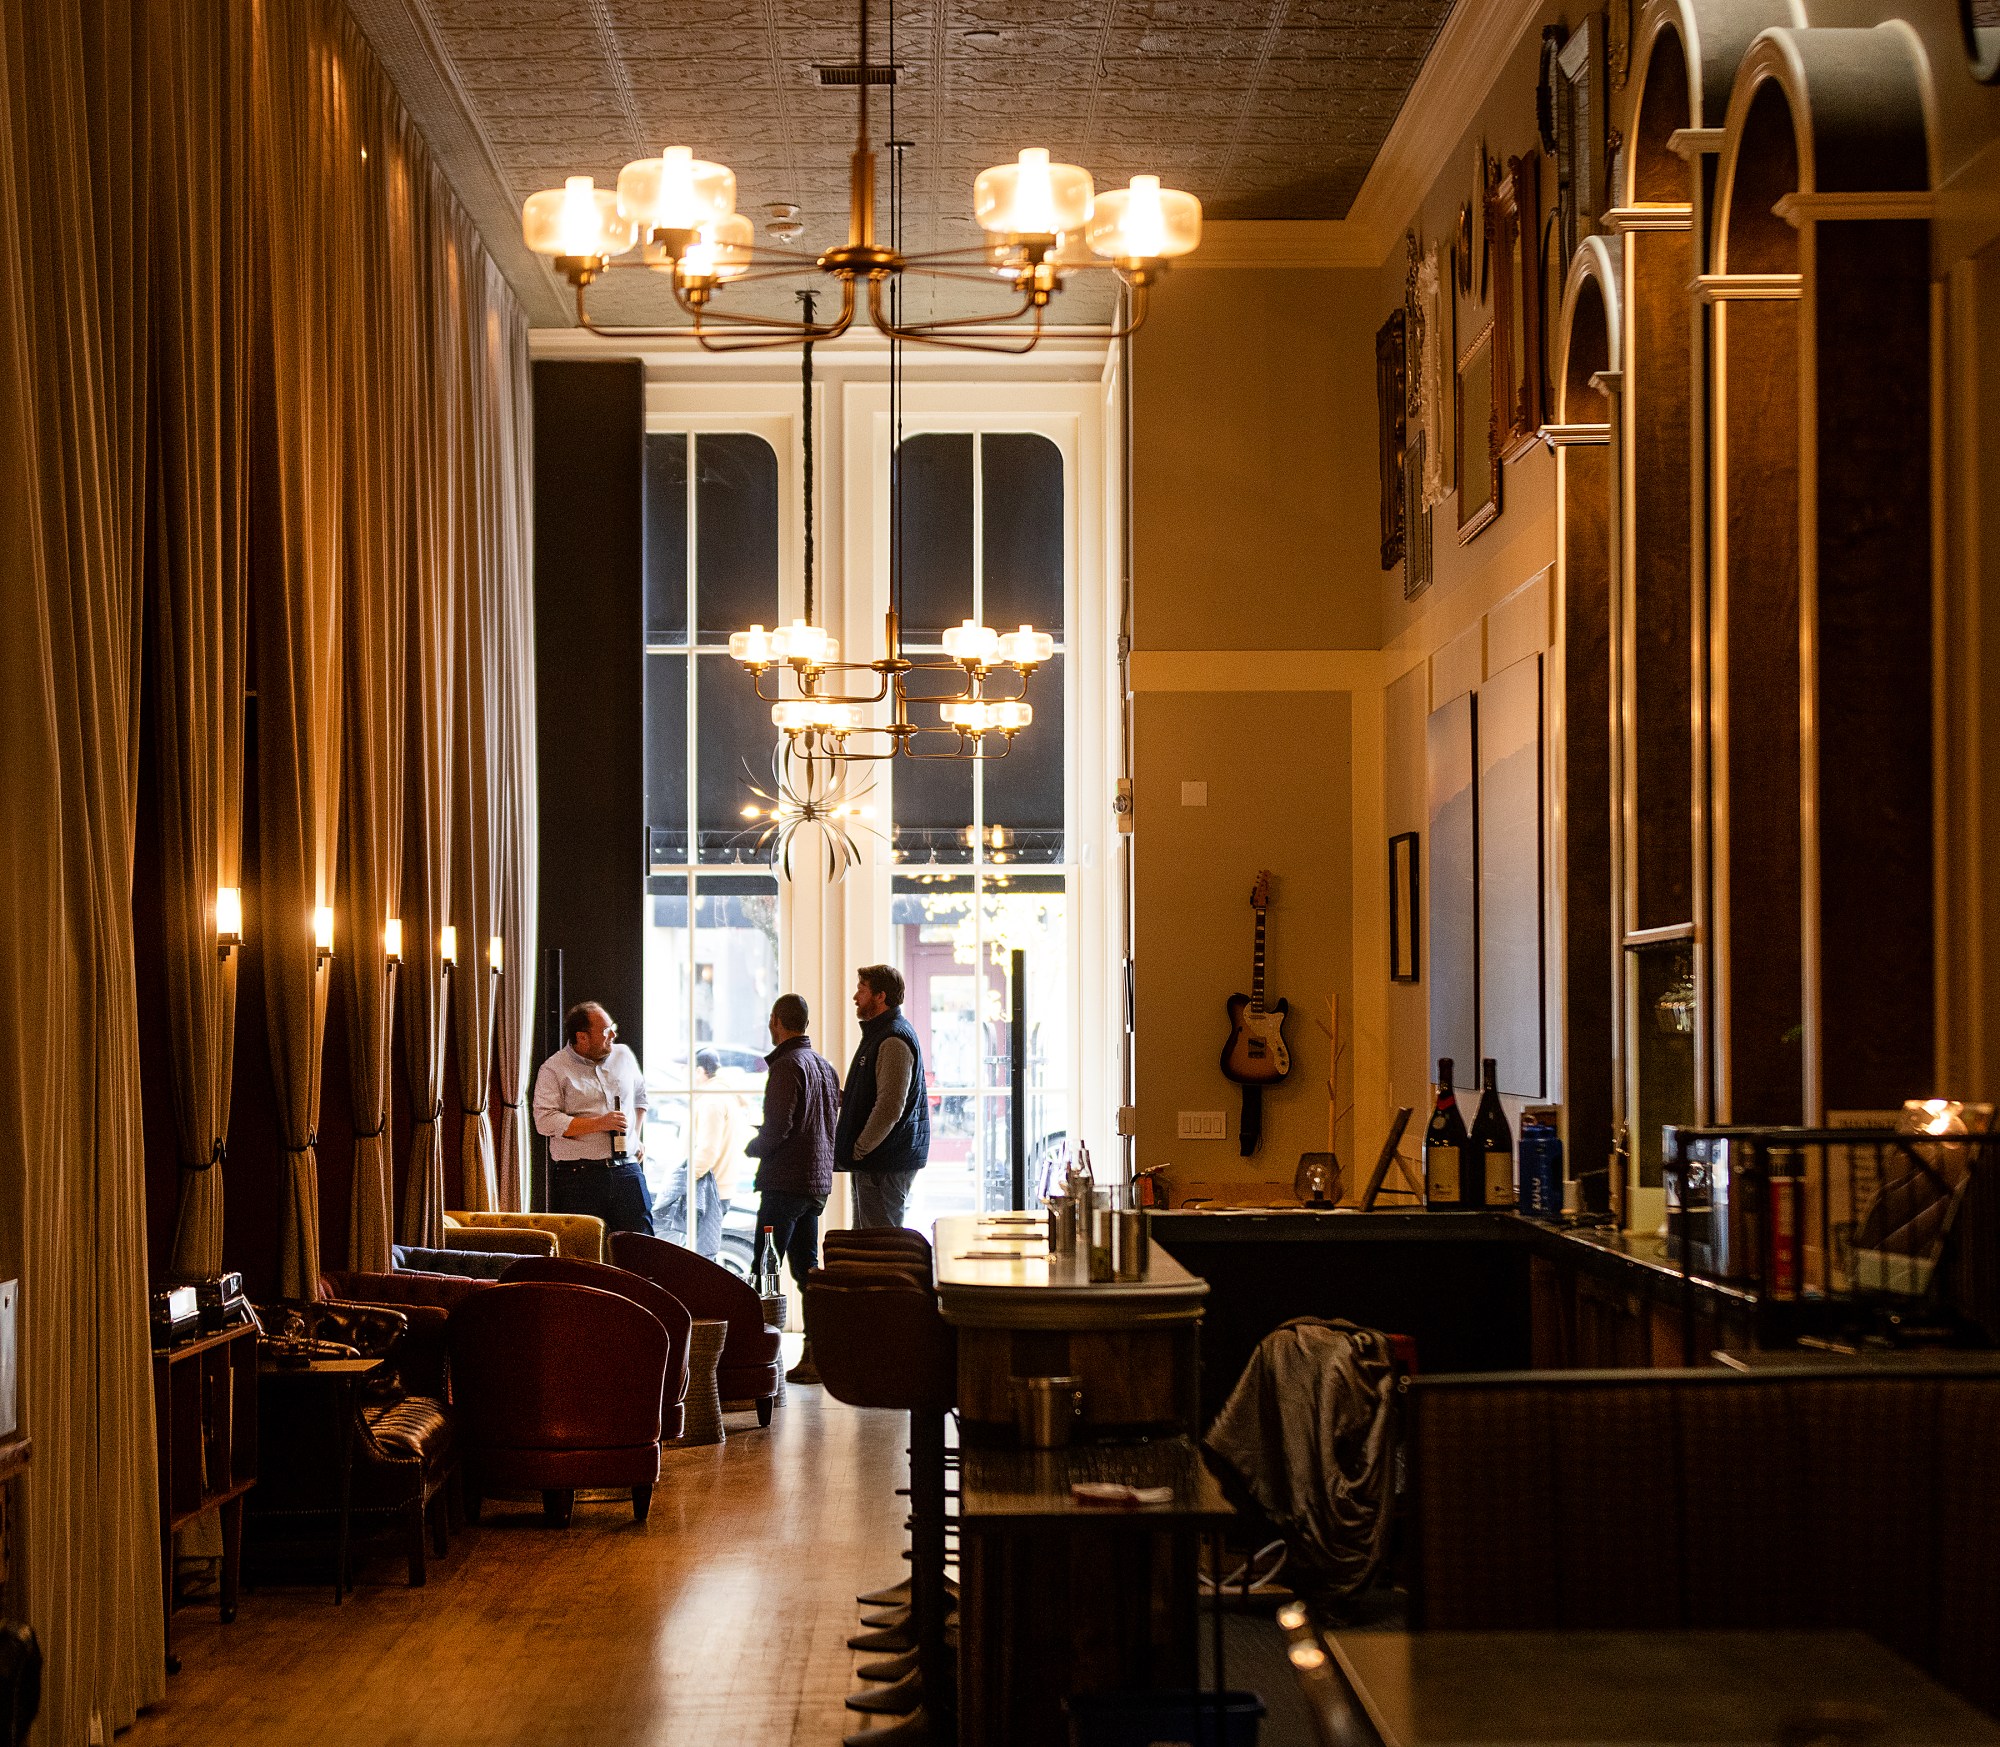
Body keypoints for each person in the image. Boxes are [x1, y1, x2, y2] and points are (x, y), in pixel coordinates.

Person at [743, 993, 839, 1385]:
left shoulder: (786, 1066)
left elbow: (779, 1126)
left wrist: (756, 1146)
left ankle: (752, 1360)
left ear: (776, 1022)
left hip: (784, 1183)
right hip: (815, 1184)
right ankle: (818, 1355)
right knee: (806, 1270)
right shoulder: (823, 1065)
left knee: (763, 1270)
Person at [531, 1001, 654, 1237]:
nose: (613, 1035)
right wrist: (600, 1123)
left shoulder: (624, 1055)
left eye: (612, 1028)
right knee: (583, 1250)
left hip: (627, 1171)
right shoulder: (554, 1069)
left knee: (642, 1246)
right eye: (606, 1031)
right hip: (579, 1177)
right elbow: (545, 1121)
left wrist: (635, 1137)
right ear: (582, 1038)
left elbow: (640, 1098)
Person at [833, 963, 930, 1229]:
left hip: (884, 1161)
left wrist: (859, 1149)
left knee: (879, 1247)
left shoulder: (892, 1040)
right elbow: (879, 1094)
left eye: (861, 990)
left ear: (880, 996)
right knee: (867, 1243)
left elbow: (890, 1107)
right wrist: (847, 1099)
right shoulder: (880, 1034)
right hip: (877, 1160)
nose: (855, 997)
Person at [660, 1049, 739, 1258]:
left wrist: (681, 1183)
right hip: (719, 1187)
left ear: (699, 1071)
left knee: (698, 1260)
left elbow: (707, 1151)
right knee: (699, 1258)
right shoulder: (722, 1095)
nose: (682, 1074)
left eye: (684, 1069)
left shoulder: (710, 1101)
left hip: (709, 1190)